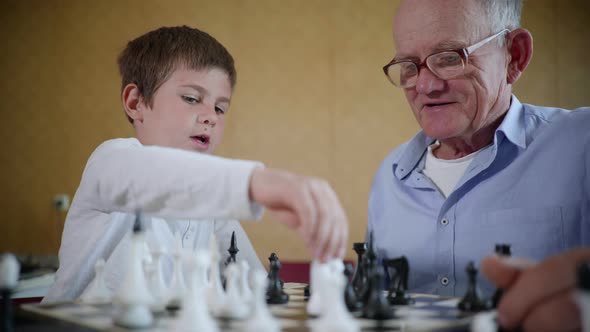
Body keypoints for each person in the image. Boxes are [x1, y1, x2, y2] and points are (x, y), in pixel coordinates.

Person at [44, 26, 348, 302]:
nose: (211, 116)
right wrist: (258, 182)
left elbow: (257, 285)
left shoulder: (213, 208)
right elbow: (157, 176)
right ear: (136, 103)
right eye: (191, 98)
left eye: (220, 107)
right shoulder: (111, 161)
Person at [368, 0, 589, 329]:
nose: (425, 86)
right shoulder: (390, 176)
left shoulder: (581, 142)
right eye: (410, 66)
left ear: (514, 55)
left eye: (449, 58)